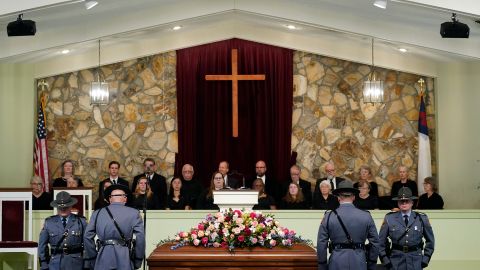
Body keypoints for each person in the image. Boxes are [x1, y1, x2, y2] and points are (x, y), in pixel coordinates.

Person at [317, 180, 380, 270]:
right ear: (354, 197)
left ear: (338, 197)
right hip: (359, 262)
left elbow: (321, 243)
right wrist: (371, 264)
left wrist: (322, 265)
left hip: (336, 262)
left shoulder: (329, 216)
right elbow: (375, 243)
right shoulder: (366, 216)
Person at [84, 184, 145, 270]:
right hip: (124, 257)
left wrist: (93, 258)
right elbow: (141, 237)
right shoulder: (134, 213)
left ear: (110, 199)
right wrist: (138, 260)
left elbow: (87, 236)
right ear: (125, 198)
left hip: (103, 256)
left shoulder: (97, 213)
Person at [379, 187, 435, 270]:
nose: (404, 203)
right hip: (396, 260)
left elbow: (430, 240)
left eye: (407, 201)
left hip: (416, 260)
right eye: (401, 201)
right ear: (398, 203)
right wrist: (385, 259)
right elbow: (381, 241)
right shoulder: (389, 218)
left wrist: (426, 258)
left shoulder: (421, 218)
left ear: (412, 202)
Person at [38, 191, 87, 270]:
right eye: (60, 207)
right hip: (55, 264)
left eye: (66, 207)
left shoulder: (81, 221)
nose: (63, 209)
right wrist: (44, 264)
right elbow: (42, 245)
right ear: (57, 207)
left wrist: (87, 264)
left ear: (71, 206)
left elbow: (87, 244)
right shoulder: (49, 222)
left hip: (75, 263)